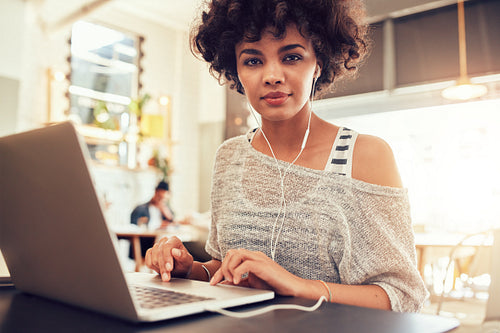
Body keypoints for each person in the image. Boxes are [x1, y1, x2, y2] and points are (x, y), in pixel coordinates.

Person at [145, 0, 428, 312]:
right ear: (236, 71)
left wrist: (298, 286)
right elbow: (220, 269)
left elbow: (405, 296)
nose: (272, 75)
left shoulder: (365, 156)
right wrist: (187, 268)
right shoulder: (230, 157)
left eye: (292, 57)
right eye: (253, 61)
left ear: (318, 62)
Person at [130, 180, 174, 257]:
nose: (161, 201)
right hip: (145, 243)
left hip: (161, 242)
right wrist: (159, 225)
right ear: (155, 193)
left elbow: (173, 223)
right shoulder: (140, 208)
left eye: (164, 199)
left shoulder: (166, 210)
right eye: (159, 198)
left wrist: (166, 212)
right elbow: (133, 226)